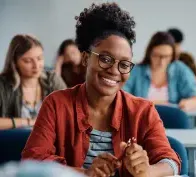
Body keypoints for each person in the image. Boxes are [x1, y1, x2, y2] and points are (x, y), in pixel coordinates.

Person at [22, 3, 180, 177]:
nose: (114, 70)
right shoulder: (56, 104)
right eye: (105, 59)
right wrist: (84, 173)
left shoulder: (143, 111)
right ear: (85, 58)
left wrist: (149, 170)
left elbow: (170, 161)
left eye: (124, 64)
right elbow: (32, 160)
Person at [0, 34, 66, 130]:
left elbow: (72, 112)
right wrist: (28, 122)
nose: (36, 65)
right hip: (14, 143)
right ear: (14, 62)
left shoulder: (52, 80)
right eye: (28, 61)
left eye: (39, 58)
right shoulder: (3, 85)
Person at [123, 31, 196, 112]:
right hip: (143, 118)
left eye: (167, 56)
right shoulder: (136, 71)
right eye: (157, 56)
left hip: (172, 118)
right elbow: (122, 96)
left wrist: (188, 103)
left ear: (173, 55)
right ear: (149, 53)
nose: (162, 62)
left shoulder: (180, 69)